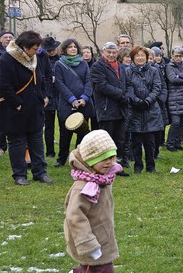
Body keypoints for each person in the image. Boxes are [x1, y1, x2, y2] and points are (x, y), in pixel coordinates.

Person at [0, 31, 53, 186]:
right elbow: (2, 86)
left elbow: (42, 78)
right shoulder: (6, 60)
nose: (37, 51)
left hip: (35, 107)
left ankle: (40, 172)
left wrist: (43, 96)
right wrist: (17, 104)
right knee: (17, 142)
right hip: (15, 109)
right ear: (24, 48)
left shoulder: (34, 58)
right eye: (34, 48)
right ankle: (20, 175)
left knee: (37, 141)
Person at [64, 129, 123, 273]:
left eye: (112, 157)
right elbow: (74, 217)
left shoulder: (102, 179)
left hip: (101, 235)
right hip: (91, 241)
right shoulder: (83, 187)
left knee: (93, 271)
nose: (109, 162)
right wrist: (87, 244)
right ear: (90, 159)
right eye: (103, 158)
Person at [90, 42, 130, 176]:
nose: (112, 55)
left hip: (121, 108)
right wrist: (121, 95)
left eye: (114, 52)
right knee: (107, 140)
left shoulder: (120, 66)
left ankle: (116, 166)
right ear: (103, 52)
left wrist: (127, 95)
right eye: (109, 52)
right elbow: (102, 85)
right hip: (107, 109)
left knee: (120, 139)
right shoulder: (97, 67)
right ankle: (104, 168)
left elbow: (127, 83)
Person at [53, 38, 94, 167]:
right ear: (65, 49)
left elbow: (88, 81)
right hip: (67, 103)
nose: (73, 49)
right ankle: (62, 158)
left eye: (75, 47)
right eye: (70, 47)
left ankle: (79, 157)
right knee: (65, 133)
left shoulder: (83, 64)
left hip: (83, 103)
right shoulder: (59, 64)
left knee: (83, 132)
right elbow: (59, 84)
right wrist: (72, 100)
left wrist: (84, 98)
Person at [125, 45, 163, 173]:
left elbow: (157, 87)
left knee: (150, 141)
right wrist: (136, 101)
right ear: (133, 57)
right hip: (135, 110)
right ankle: (138, 166)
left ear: (147, 58)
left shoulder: (154, 71)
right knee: (136, 141)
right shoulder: (128, 72)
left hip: (150, 109)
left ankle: (151, 166)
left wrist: (148, 101)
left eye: (142, 55)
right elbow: (127, 88)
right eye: (137, 55)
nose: (140, 58)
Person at [165, 46, 183, 152]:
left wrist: (179, 75)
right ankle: (170, 143)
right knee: (175, 122)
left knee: (182, 123)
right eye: (176, 56)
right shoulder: (169, 66)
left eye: (180, 56)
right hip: (174, 98)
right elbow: (173, 79)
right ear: (172, 56)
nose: (178, 58)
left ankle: (177, 143)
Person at [0, 30, 15, 158]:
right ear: (0, 39)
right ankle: (0, 147)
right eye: (5, 37)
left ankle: (14, 144)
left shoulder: (16, 53)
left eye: (10, 37)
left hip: (14, 90)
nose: (8, 39)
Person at [42, 36, 60, 158]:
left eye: (53, 49)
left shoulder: (61, 60)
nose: (52, 51)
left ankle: (63, 151)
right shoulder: (41, 60)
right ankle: (50, 151)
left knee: (64, 126)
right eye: (49, 50)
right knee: (49, 127)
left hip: (60, 95)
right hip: (47, 96)